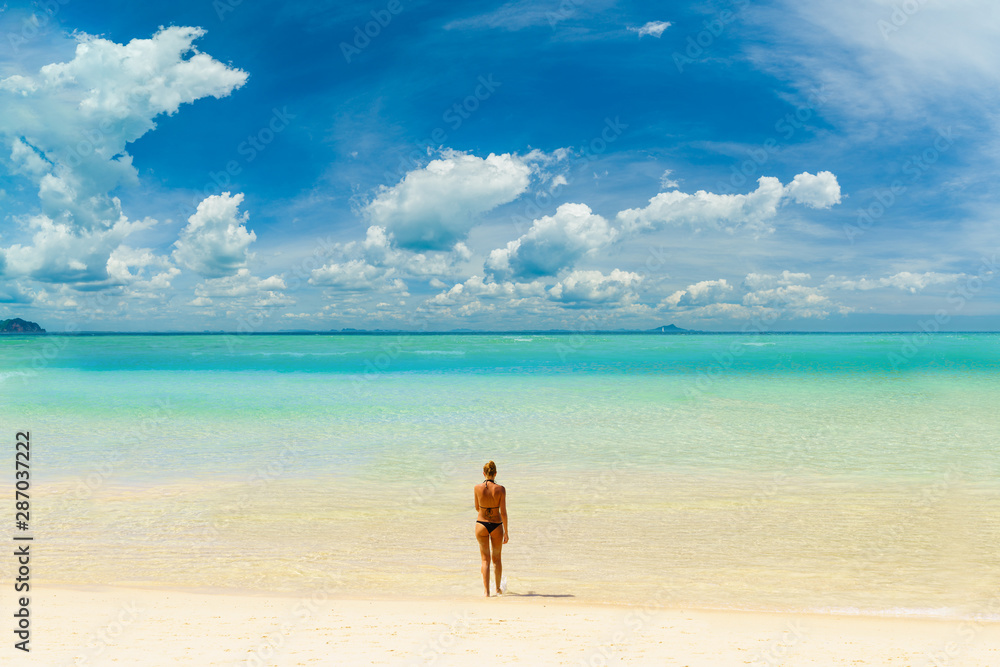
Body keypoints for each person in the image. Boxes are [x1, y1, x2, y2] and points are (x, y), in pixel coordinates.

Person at [474, 460, 508, 597]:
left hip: (481, 524)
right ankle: (498, 589)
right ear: (495, 473)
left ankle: (486, 592)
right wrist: (506, 531)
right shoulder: (501, 489)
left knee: (485, 560)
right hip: (496, 526)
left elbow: (477, 508)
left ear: (483, 473)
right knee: (497, 559)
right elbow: (504, 512)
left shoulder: (477, 488)